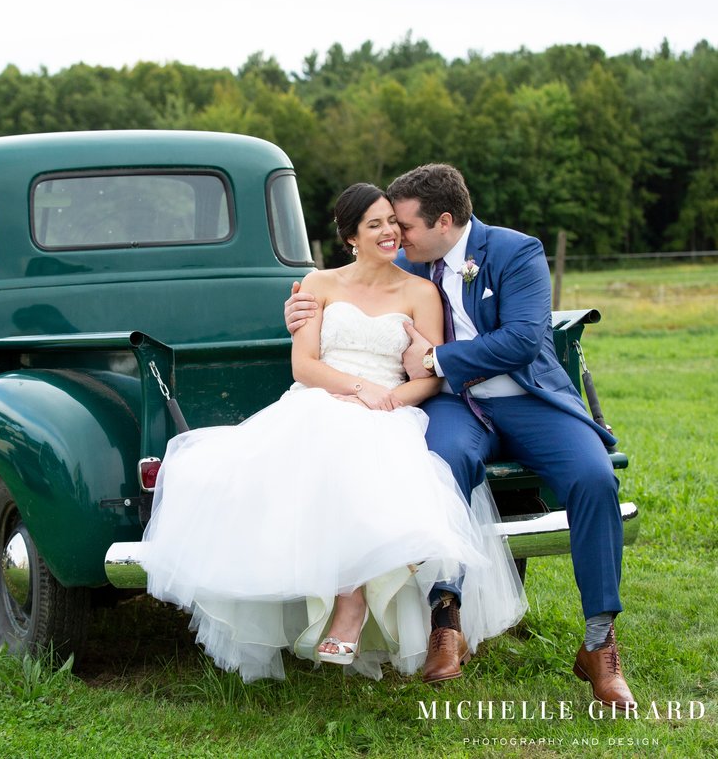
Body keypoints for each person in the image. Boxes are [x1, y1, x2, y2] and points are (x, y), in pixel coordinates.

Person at [142, 183, 525, 683]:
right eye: (375, 225)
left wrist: (387, 399)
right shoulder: (318, 284)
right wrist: (356, 388)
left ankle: (352, 601)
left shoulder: (419, 290)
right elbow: (304, 365)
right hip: (324, 397)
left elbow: (429, 376)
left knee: (367, 450)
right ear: (350, 237)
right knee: (312, 444)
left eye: (393, 221)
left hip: (391, 407)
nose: (390, 232)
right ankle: (347, 598)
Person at [285, 165, 635, 708]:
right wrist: (299, 307)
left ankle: (600, 644)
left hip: (528, 400)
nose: (396, 237)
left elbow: (521, 340)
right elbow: (360, 283)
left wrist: (433, 357)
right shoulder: (406, 260)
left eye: (405, 227)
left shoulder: (516, 252)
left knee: (593, 479)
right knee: (440, 467)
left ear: (443, 222)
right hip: (457, 405)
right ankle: (446, 620)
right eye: (390, 229)